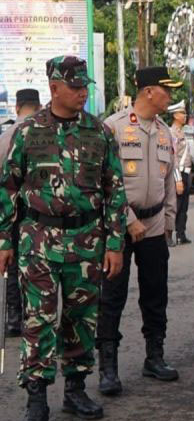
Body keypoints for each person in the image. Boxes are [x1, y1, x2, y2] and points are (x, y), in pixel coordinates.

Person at [0, 55, 127, 421]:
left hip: (87, 240)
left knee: (81, 317)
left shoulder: (99, 132)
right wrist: (5, 241)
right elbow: (8, 187)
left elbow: (115, 191)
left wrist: (115, 244)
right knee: (38, 319)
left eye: (85, 86)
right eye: (74, 86)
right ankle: (36, 395)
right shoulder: (27, 132)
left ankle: (75, 389)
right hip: (38, 239)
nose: (82, 92)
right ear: (54, 87)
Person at [96, 66, 182, 396]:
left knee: (156, 293)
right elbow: (103, 182)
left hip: (155, 225)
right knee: (112, 297)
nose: (170, 97)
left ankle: (154, 357)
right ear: (149, 91)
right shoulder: (114, 127)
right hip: (119, 226)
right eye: (166, 90)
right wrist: (127, 218)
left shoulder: (164, 132)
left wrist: (170, 223)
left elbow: (170, 183)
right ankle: (108, 367)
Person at [0, 89, 42, 338]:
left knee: (12, 264)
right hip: (37, 213)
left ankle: (14, 318)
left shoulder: (5, 136)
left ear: (17, 107)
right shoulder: (43, 133)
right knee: (38, 263)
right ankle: (33, 314)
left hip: (10, 211)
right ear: (38, 107)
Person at [169, 102, 192, 246]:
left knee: (184, 207)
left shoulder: (181, 131)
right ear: (175, 115)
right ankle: (169, 234)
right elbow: (174, 158)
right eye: (182, 113)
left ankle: (181, 234)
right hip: (179, 174)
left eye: (184, 113)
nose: (184, 116)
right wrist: (178, 180)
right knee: (175, 206)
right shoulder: (172, 133)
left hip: (187, 173)